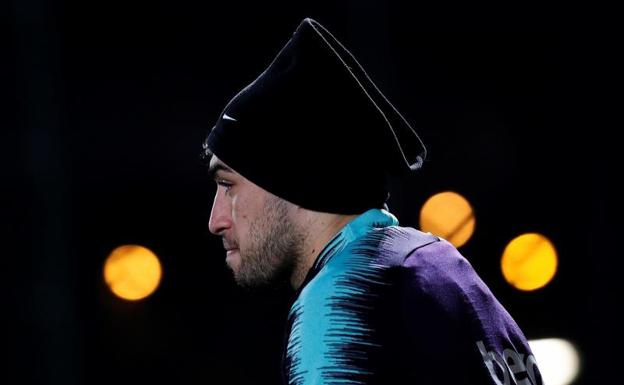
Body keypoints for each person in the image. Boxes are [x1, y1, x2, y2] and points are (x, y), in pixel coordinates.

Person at [203, 18, 543, 385]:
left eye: (228, 185)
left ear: (293, 179)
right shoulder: (452, 276)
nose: (216, 219)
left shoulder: (341, 299)